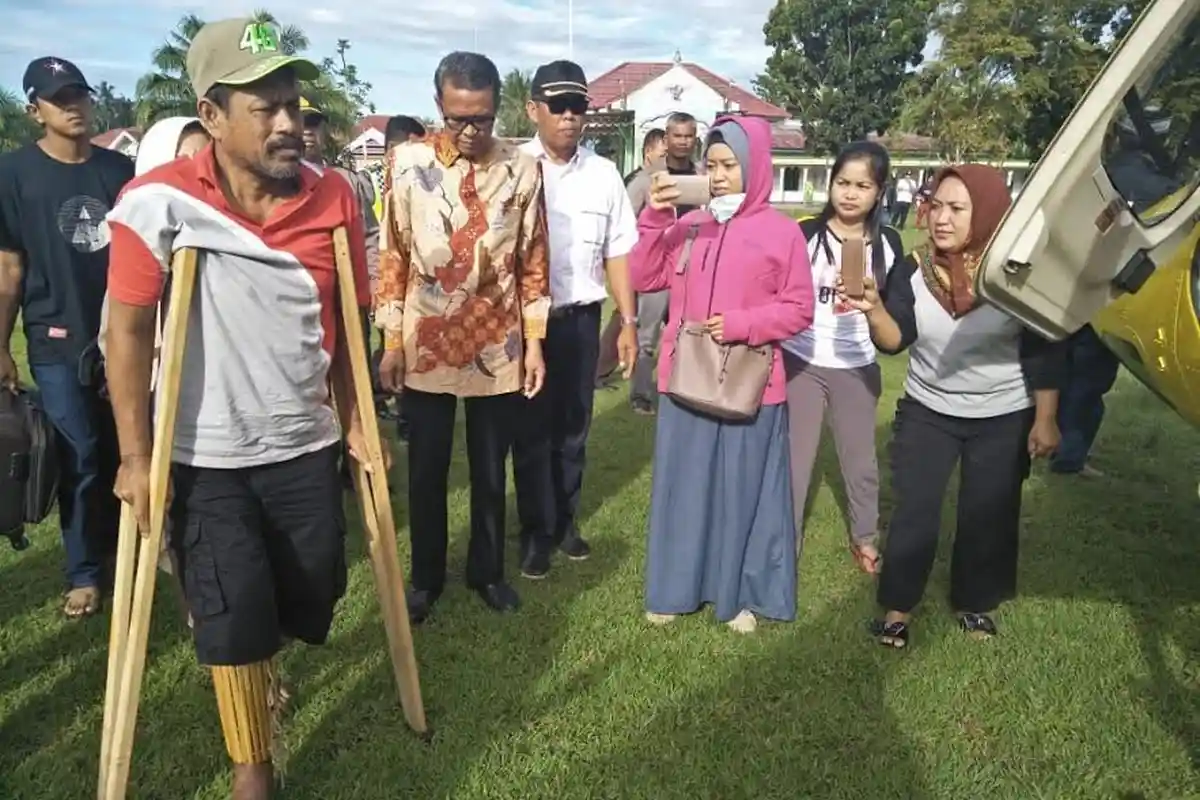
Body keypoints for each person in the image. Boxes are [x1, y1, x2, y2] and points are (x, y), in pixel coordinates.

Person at [104, 18, 373, 799]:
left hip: (304, 441)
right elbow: (126, 332)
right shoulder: (157, 202)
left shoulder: (334, 195)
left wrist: (357, 418)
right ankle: (252, 764)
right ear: (212, 116)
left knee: (313, 589)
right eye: (266, 108)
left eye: (292, 104)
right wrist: (135, 456)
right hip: (206, 452)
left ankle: (262, 663)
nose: (288, 123)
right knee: (234, 613)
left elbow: (351, 321)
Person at [839, 165, 1063, 649]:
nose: (941, 218)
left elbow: (1043, 348)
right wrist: (874, 309)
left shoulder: (1015, 273)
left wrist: (1045, 418)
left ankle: (974, 604)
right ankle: (897, 609)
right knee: (915, 510)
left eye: (957, 209)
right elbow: (896, 339)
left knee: (987, 512)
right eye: (936, 205)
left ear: (987, 214)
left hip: (1003, 412)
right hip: (929, 408)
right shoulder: (914, 269)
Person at [376, 51, 550, 623]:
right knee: (426, 469)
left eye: (482, 118)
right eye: (458, 119)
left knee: (489, 468)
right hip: (426, 339)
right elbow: (393, 256)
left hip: (496, 340)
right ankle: (425, 578)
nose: (471, 131)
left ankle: (488, 571)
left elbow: (533, 260)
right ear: (438, 106)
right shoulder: (406, 164)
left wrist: (535, 342)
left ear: (498, 108)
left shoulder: (523, 168)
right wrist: (392, 342)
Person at [631, 115, 814, 634]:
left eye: (729, 165)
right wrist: (655, 216)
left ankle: (738, 595)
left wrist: (743, 325)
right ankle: (674, 589)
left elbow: (799, 309)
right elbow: (645, 275)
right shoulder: (692, 224)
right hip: (686, 379)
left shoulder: (782, 233)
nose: (718, 176)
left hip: (749, 384)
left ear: (755, 168)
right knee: (684, 487)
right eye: (711, 166)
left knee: (741, 491)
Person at [0, 56, 135, 618]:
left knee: (123, 449)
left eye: (79, 94)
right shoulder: (13, 175)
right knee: (77, 453)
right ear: (36, 111)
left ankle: (124, 551)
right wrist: (1, 346)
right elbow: (9, 267)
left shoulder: (121, 171)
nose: (73, 106)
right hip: (55, 337)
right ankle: (83, 572)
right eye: (59, 99)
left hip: (123, 335)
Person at [512, 60, 638, 576]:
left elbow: (618, 252)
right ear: (533, 109)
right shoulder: (514, 167)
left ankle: (565, 522)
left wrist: (628, 322)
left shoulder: (603, 174)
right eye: (558, 105)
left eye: (578, 106)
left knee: (573, 429)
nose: (569, 116)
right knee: (531, 431)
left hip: (582, 321)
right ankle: (534, 533)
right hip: (526, 325)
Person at [100, 115, 211, 629]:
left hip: (218, 407)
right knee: (177, 518)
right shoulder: (141, 241)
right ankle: (201, 617)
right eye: (184, 159)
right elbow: (119, 336)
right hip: (165, 403)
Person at [783, 141, 902, 576]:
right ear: (830, 184)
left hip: (856, 365)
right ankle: (786, 540)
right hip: (802, 361)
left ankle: (864, 537)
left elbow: (894, 318)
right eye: (842, 183)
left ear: (879, 191)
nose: (850, 194)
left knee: (860, 460)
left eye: (862, 186)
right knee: (795, 461)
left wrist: (870, 303)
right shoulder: (804, 234)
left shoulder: (888, 243)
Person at [597, 127, 667, 385]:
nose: (667, 159)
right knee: (627, 320)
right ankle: (600, 370)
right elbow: (623, 224)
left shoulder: (663, 179)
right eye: (663, 154)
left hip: (661, 265)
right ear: (648, 153)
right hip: (639, 264)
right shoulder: (640, 182)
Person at [377, 114, 428, 436]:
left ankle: (408, 416)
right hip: (387, 283)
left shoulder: (422, 180)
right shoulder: (380, 179)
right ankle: (391, 404)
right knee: (392, 351)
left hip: (415, 292)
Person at [1050, 323, 1119, 478]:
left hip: (1075, 324)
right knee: (1085, 397)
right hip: (1096, 328)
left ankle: (1064, 450)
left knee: (1073, 388)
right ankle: (1069, 459)